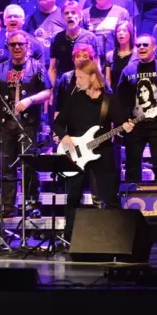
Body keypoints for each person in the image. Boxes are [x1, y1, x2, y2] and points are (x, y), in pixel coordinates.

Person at [52, 60, 134, 242]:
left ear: (92, 77)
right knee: (73, 196)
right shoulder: (74, 99)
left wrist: (126, 126)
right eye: (76, 77)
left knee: (110, 196)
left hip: (102, 152)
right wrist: (64, 137)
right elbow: (57, 123)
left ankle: (119, 238)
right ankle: (69, 238)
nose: (77, 81)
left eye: (80, 77)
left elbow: (122, 121)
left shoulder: (108, 100)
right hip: (75, 153)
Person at [0, 30, 52, 218]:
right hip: (5, 124)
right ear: (7, 47)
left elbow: (47, 92)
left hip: (29, 125)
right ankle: (8, 207)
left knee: (29, 165)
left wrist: (30, 100)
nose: (16, 47)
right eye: (12, 44)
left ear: (27, 46)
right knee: (6, 165)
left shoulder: (37, 67)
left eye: (20, 44)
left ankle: (32, 205)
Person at [117, 34, 157, 183]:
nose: (141, 48)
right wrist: (125, 121)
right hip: (135, 127)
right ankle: (131, 204)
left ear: (154, 47)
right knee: (132, 168)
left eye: (145, 45)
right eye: (138, 45)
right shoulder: (128, 71)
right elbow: (120, 99)